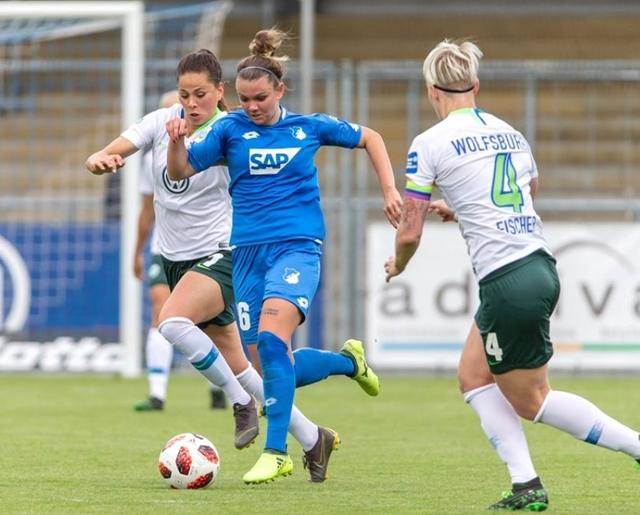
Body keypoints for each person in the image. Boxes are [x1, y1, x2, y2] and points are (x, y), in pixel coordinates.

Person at [87, 48, 368, 483]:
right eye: (184, 94)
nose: (191, 103)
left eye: (200, 94)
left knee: (171, 322)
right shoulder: (164, 122)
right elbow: (121, 148)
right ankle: (315, 438)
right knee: (255, 372)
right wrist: (101, 158)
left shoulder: (232, 130)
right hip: (175, 257)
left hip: (222, 254)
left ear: (220, 93)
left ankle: (238, 402)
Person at [384, 38, 640, 511]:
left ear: (431, 91)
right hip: (536, 264)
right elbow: (524, 196)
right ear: (475, 86)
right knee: (473, 375)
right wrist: (459, 207)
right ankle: (526, 485)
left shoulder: (430, 143)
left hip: (507, 280)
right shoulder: (511, 133)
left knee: (533, 400)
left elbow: (408, 232)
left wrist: (397, 266)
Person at [166, 29, 403, 484]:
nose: (252, 107)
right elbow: (180, 171)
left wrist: (389, 190)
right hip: (247, 256)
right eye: (244, 99)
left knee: (273, 344)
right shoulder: (229, 131)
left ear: (280, 90)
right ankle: (347, 362)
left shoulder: (308, 128)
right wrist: (177, 140)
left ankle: (277, 452)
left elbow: (370, 137)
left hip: (298, 248)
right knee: (268, 366)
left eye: (259, 98)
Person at [132, 90, 228, 412]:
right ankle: (157, 392)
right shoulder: (151, 159)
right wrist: (136, 250)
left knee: (206, 322)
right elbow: (147, 210)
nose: (179, 115)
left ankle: (220, 385)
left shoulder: (214, 146)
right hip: (165, 247)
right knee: (161, 311)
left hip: (206, 246)